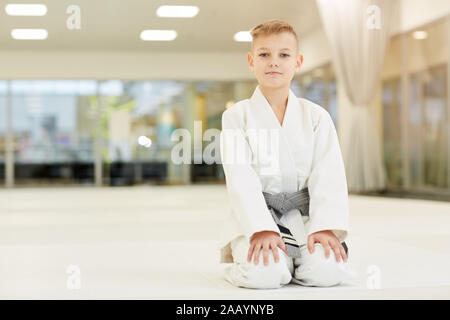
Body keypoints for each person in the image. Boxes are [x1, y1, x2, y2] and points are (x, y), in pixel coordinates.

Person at [219, 19, 356, 289]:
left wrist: (325, 226)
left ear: (298, 61)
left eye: (284, 55)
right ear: (251, 61)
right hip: (257, 216)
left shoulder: (316, 116)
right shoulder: (236, 116)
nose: (274, 62)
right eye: (264, 54)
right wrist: (261, 228)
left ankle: (294, 261)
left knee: (327, 272)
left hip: (304, 217)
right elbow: (240, 178)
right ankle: (249, 266)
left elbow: (329, 175)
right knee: (264, 276)